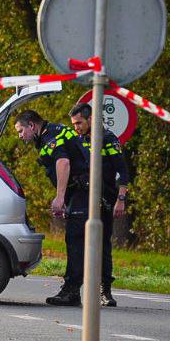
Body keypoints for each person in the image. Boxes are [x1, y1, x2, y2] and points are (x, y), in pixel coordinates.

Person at [14, 109, 88, 306]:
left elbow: (63, 163)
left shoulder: (50, 136)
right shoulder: (51, 132)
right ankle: (76, 289)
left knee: (75, 241)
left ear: (32, 125)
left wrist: (60, 197)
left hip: (81, 192)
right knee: (78, 241)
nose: (20, 136)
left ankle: (71, 292)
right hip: (80, 191)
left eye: (21, 131)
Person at [69, 102, 131, 307]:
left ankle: (105, 290)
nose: (76, 127)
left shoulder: (107, 139)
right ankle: (73, 290)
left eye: (79, 123)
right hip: (83, 199)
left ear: (91, 119)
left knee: (103, 246)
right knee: (77, 243)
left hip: (105, 200)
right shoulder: (78, 139)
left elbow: (122, 170)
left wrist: (121, 199)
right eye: (73, 124)